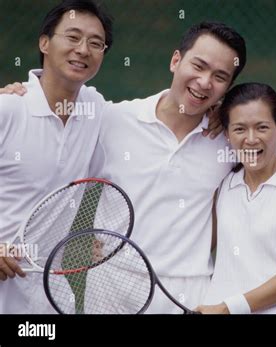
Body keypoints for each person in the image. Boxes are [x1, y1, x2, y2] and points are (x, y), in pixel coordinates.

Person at [89, 22, 248, 313]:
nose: (204, 82)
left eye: (219, 77)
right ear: (176, 60)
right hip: (108, 283)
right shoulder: (114, 119)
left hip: (187, 293)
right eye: (198, 66)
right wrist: (20, 92)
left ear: (227, 88)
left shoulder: (230, 141)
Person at [0, 0, 113, 313]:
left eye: (96, 43)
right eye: (73, 37)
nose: (83, 49)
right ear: (44, 43)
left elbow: (161, 114)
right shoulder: (8, 108)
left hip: (46, 296)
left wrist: (213, 114)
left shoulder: (98, 111)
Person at [195, 83, 276, 314]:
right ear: (227, 134)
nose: (251, 139)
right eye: (240, 129)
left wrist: (227, 309)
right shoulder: (223, 184)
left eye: (262, 127)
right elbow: (199, 247)